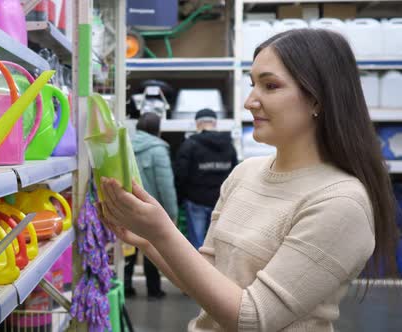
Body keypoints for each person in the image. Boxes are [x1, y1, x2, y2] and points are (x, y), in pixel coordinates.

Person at [98, 28, 399, 331]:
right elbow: (207, 278)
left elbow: (253, 319)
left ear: (318, 99)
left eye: (270, 86)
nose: (249, 101)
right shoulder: (245, 172)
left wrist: (163, 231)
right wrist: (148, 241)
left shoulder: (340, 202)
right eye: (253, 84)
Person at [124, 111, 178, 300]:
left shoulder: (125, 145)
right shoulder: (158, 150)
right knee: (151, 249)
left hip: (127, 207)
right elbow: (166, 185)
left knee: (128, 247)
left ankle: (127, 287)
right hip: (151, 211)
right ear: (157, 129)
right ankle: (154, 290)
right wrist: (172, 212)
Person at [175, 109, 237, 249]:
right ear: (215, 124)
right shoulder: (229, 145)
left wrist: (180, 198)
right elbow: (235, 173)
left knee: (197, 243)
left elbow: (180, 174)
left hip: (195, 201)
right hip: (221, 201)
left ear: (197, 124)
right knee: (217, 244)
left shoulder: (189, 145)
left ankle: (194, 270)